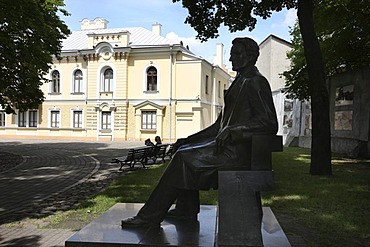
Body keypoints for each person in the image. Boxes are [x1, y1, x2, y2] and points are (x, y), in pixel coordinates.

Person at [121, 37, 278, 228]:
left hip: (239, 153)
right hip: (227, 146)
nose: (232, 58)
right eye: (231, 54)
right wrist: (187, 139)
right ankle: (185, 210)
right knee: (184, 149)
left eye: (237, 54)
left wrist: (234, 130)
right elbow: (217, 127)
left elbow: (269, 122)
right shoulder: (239, 82)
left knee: (183, 159)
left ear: (251, 56)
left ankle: (150, 216)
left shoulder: (256, 82)